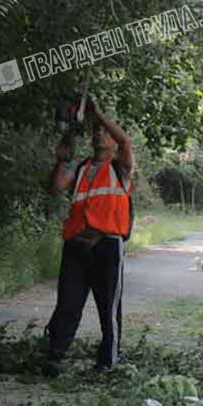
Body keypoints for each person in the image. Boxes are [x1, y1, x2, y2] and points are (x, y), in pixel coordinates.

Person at [45, 98, 134, 374]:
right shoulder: (82, 167)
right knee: (67, 305)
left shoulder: (121, 167)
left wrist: (99, 115)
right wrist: (62, 155)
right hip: (76, 246)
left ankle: (107, 364)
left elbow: (126, 141)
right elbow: (56, 187)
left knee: (108, 309)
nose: (99, 134)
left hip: (107, 245)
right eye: (96, 130)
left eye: (104, 131)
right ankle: (54, 357)